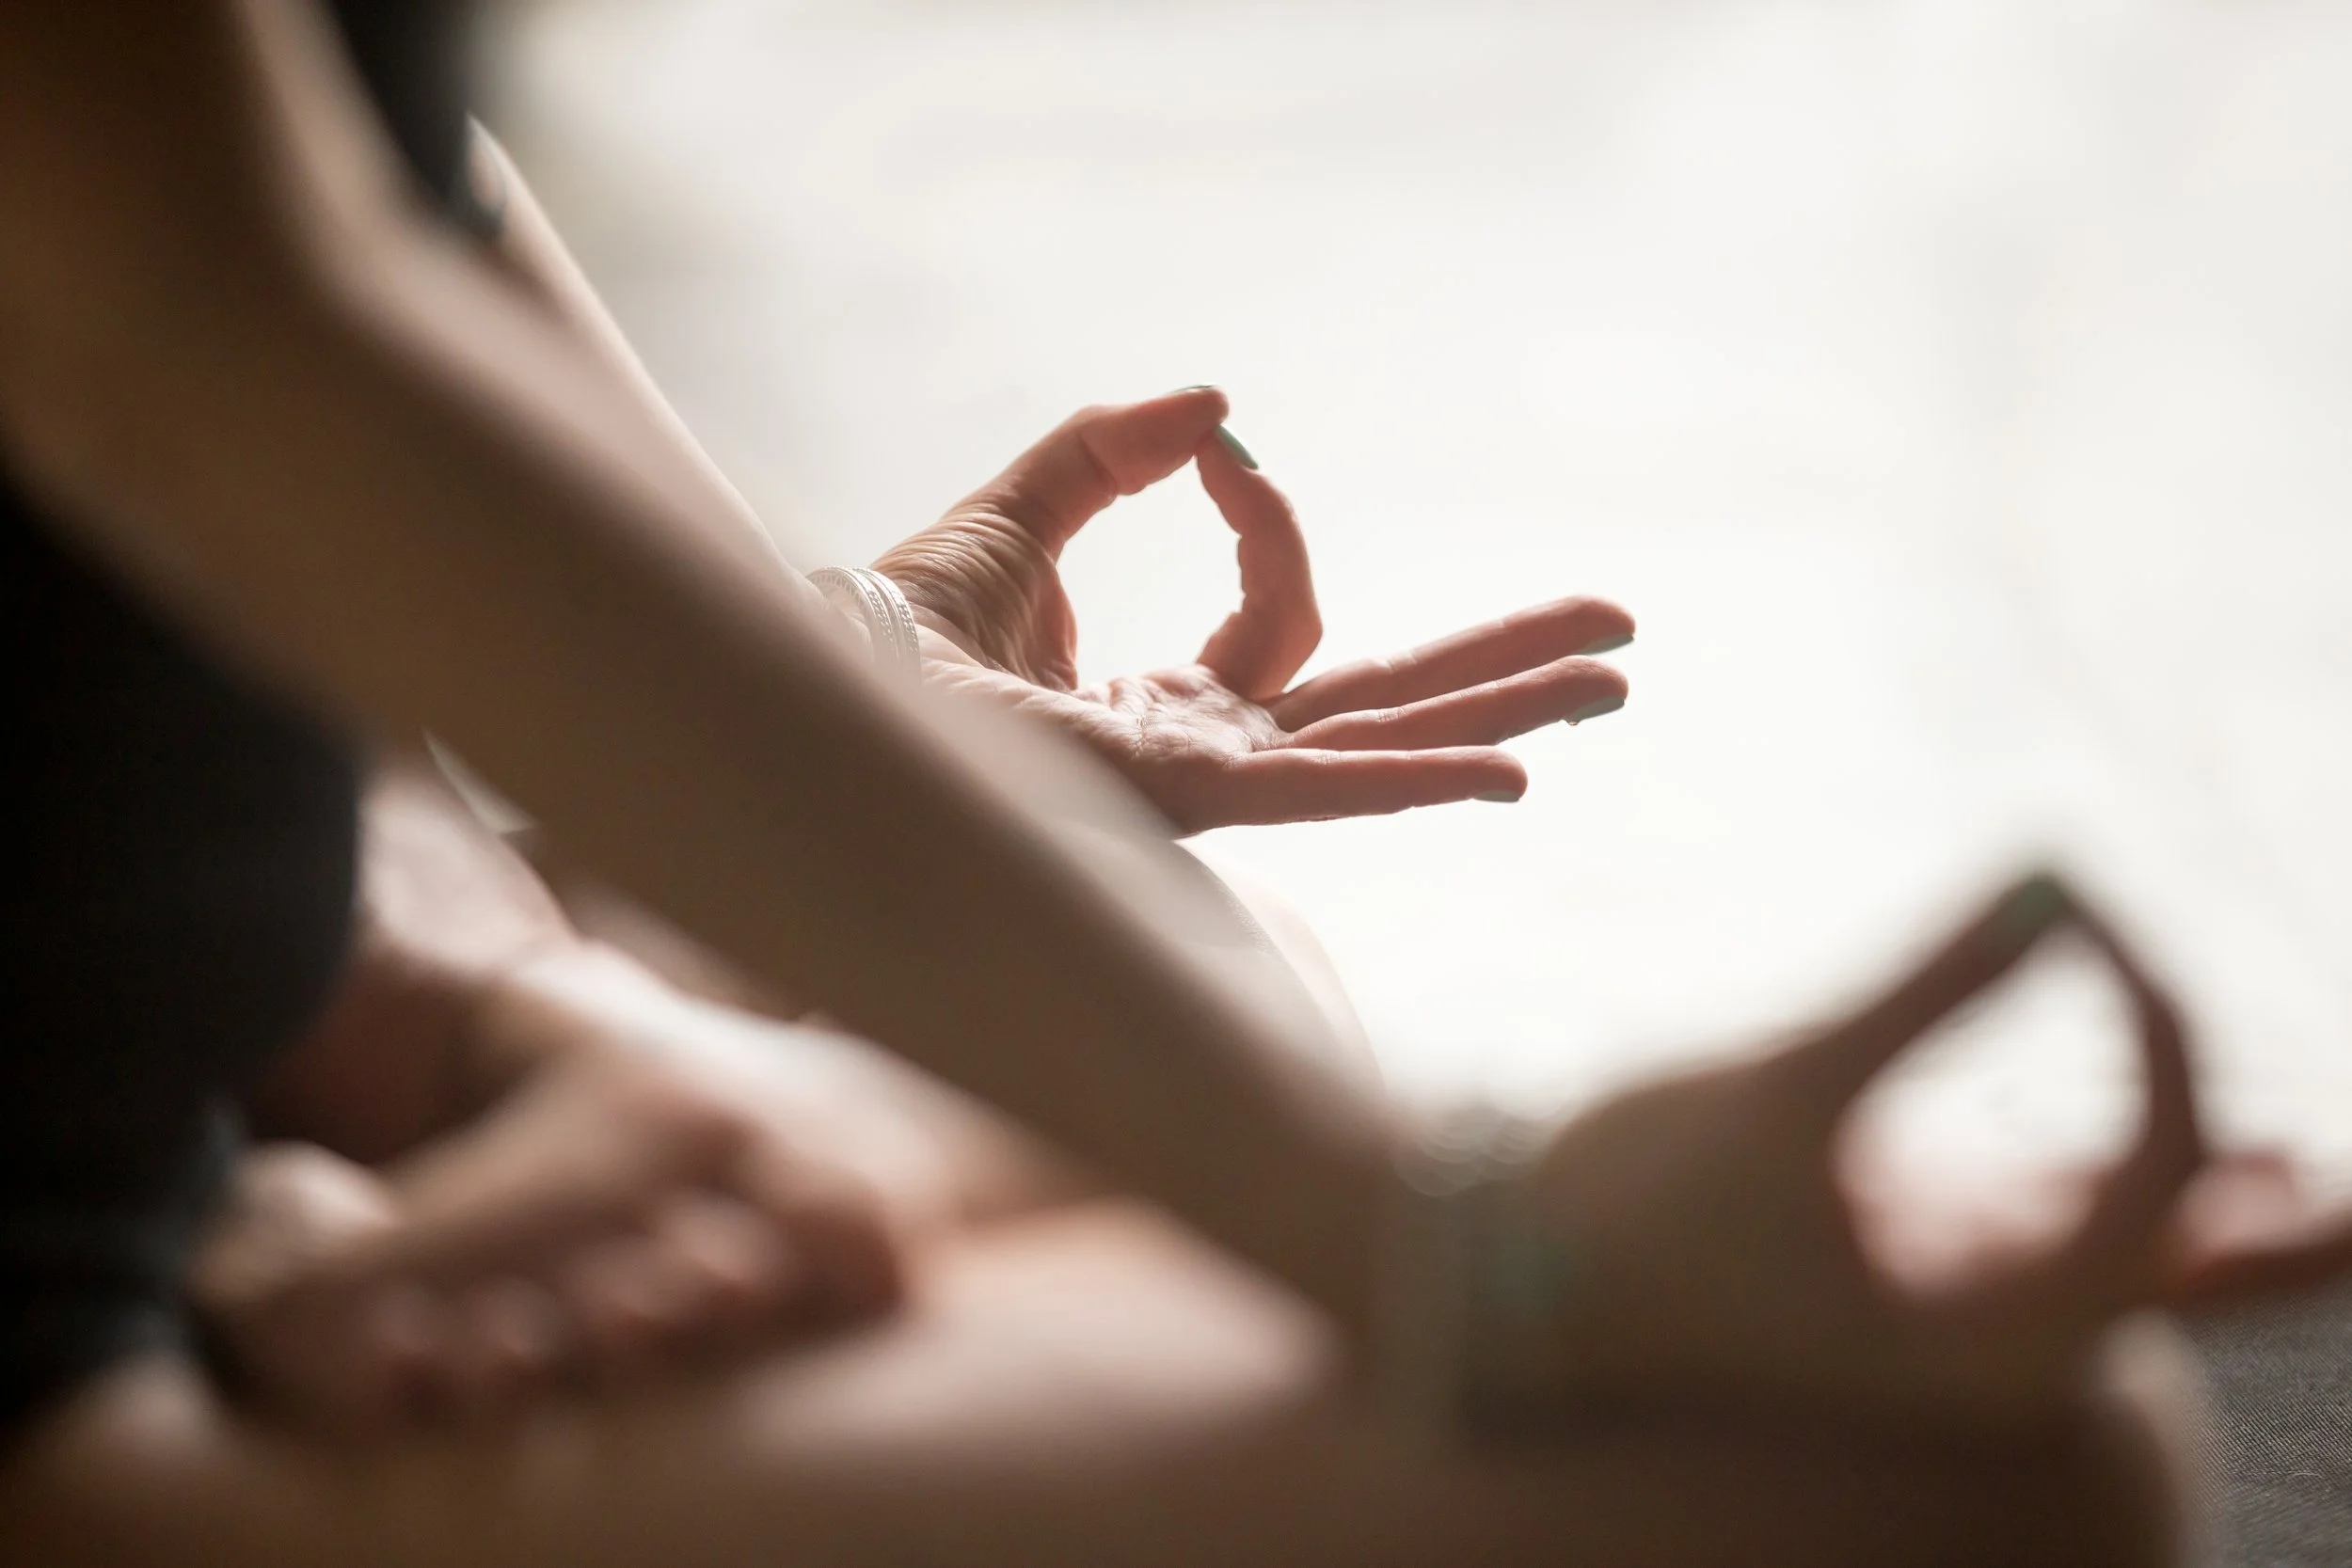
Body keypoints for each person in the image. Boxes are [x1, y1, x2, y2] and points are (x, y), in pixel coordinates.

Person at [2, 2, 2342, 1562]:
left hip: (226, 1069)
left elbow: (301, 199)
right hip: (73, 1341)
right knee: (1987, 1474)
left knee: (1166, 965)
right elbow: (200, 325)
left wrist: (693, 815)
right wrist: (1466, 1252)